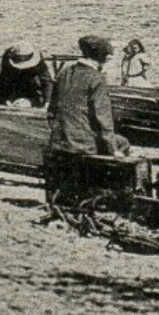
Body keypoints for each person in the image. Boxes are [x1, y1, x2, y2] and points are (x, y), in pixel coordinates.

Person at [43, 34, 126, 203]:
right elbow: (103, 118)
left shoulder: (64, 73)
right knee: (123, 143)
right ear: (102, 58)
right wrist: (112, 149)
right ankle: (104, 197)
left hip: (59, 139)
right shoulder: (96, 78)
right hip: (81, 143)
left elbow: (51, 110)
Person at [0, 42, 49, 107]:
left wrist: (47, 101)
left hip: (32, 86)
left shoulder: (38, 59)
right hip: (14, 85)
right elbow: (3, 78)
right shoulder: (7, 57)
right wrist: (5, 99)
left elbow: (47, 80)